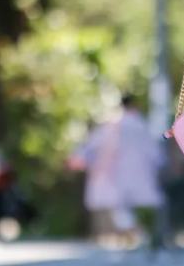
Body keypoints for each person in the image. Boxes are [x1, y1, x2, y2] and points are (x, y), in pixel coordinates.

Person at [69, 95, 167, 250]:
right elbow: (156, 154)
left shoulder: (112, 126)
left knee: (120, 208)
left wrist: (80, 158)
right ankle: (139, 239)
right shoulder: (141, 125)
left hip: (115, 175)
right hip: (138, 175)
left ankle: (137, 238)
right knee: (130, 209)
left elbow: (91, 147)